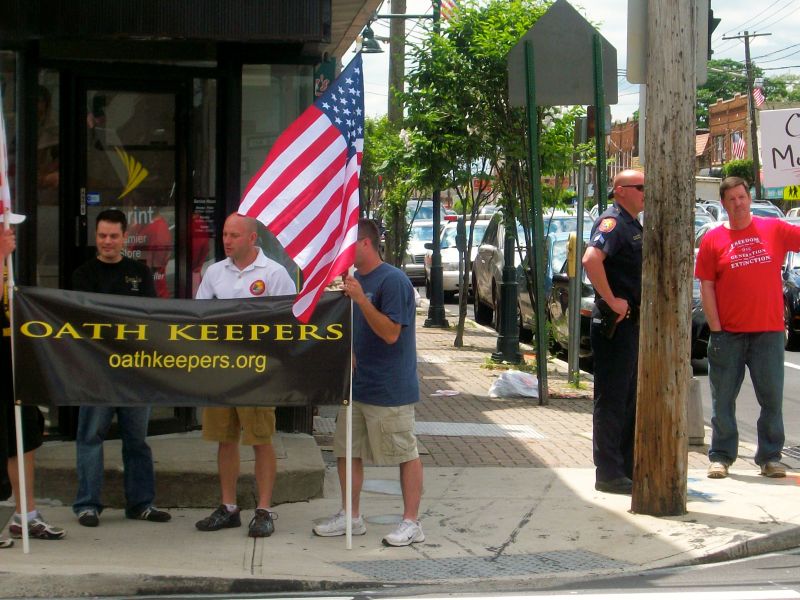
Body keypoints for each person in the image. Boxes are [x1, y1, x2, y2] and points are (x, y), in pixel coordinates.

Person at [313, 219, 425, 547]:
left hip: (389, 387)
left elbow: (391, 333)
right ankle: (351, 515)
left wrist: (362, 299)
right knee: (347, 451)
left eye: (349, 244)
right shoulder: (356, 280)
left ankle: (411, 522)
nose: (344, 251)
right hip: (357, 385)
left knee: (404, 452)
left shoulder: (394, 280)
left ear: (365, 244)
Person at [194, 213, 296, 538]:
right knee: (225, 439)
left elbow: (290, 321)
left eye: (234, 235)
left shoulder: (274, 273)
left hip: (258, 373)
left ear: (252, 238)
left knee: (260, 440)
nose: (226, 240)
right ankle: (228, 508)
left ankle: (263, 511)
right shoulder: (214, 272)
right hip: (221, 371)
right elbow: (198, 315)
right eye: (224, 234)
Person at [71, 209, 171, 527]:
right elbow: (79, 322)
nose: (107, 241)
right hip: (96, 373)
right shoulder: (83, 275)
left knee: (137, 440)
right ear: (95, 237)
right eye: (102, 235)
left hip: (134, 372)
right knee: (90, 438)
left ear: (125, 238)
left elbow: (151, 319)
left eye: (114, 236)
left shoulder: (140, 274)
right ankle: (87, 505)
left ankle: (141, 504)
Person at [696, 177, 800, 479]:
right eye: (731, 199)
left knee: (772, 399)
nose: (738, 203)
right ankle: (721, 457)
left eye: (742, 197)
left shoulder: (775, 229)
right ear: (723, 204)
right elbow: (706, 286)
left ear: (749, 199)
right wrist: (716, 328)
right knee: (722, 399)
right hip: (727, 334)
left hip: (768, 332)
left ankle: (770, 458)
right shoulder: (713, 239)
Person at [0, 209, 66, 545]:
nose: (11, 233)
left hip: (14, 362)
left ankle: (25, 515)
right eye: (5, 227)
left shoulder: (11, 265)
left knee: (23, 436)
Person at [582, 169, 645, 496]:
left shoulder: (632, 224)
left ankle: (624, 468)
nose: (645, 193)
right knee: (612, 400)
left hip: (630, 324)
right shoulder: (613, 222)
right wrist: (611, 299)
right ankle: (608, 472)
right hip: (615, 325)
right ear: (621, 190)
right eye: (640, 187)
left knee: (628, 400)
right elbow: (590, 259)